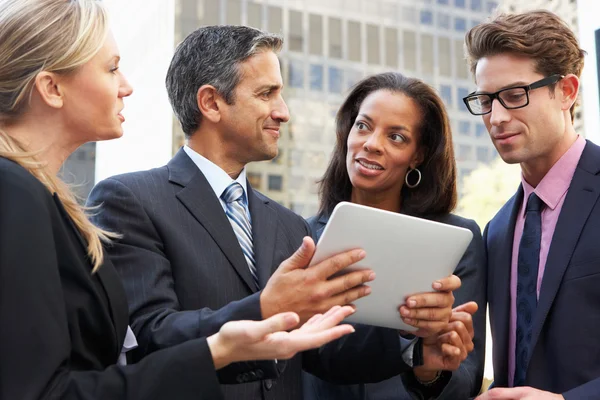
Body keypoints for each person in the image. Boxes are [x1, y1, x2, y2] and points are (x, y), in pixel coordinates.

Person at [0, 1, 361, 399]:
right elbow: (49, 385)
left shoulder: (49, 202)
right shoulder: (21, 192)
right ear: (52, 88)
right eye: (112, 67)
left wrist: (413, 348)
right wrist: (222, 345)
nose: (127, 85)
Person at [88, 25, 465, 400]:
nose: (282, 113)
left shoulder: (287, 225)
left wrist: (413, 345)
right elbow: (150, 336)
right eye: (267, 94)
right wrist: (267, 307)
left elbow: (322, 353)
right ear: (211, 103)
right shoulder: (130, 200)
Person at [303, 72, 486, 400]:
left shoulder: (457, 238)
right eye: (363, 126)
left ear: (418, 155)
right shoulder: (300, 237)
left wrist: (427, 368)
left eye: (397, 137)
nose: (372, 144)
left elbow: (465, 379)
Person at [462, 10, 600, 400]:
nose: (497, 117)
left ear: (567, 91)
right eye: (486, 100)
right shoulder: (497, 229)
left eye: (514, 95)